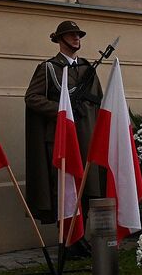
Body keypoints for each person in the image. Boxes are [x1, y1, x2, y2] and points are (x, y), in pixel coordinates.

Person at [24, 20, 103, 255]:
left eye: (78, 35)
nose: (76, 38)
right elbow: (32, 98)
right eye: (71, 35)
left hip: (86, 135)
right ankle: (67, 240)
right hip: (61, 138)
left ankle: (80, 237)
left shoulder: (87, 69)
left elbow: (98, 101)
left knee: (87, 187)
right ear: (60, 39)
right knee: (65, 188)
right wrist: (60, 110)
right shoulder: (48, 68)